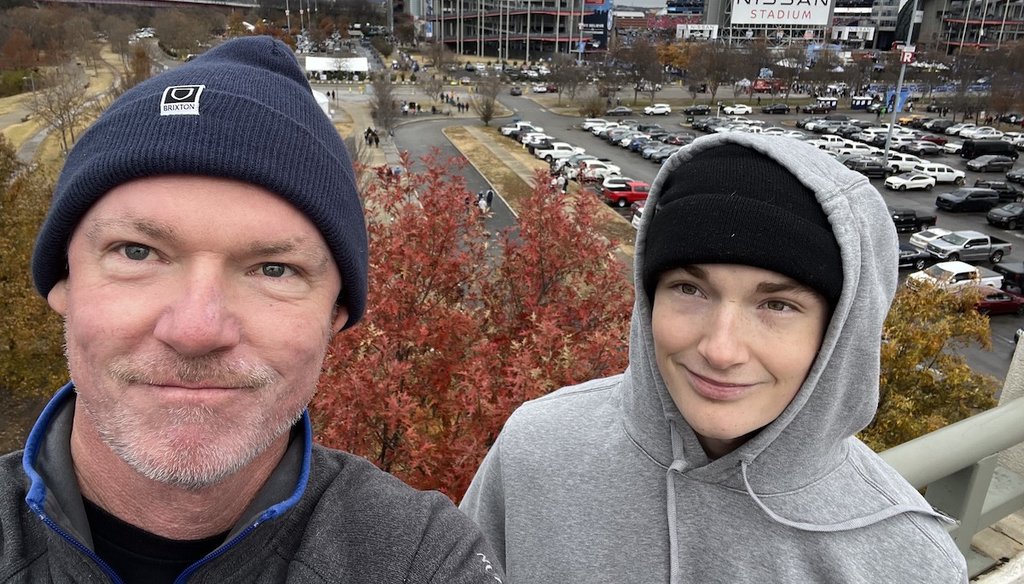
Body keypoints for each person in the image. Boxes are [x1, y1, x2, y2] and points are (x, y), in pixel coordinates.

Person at [1, 37, 503, 583]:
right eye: (137, 253)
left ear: (334, 316)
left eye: (273, 269)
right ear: (62, 283)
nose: (196, 329)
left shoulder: (420, 559)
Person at [460, 132, 967, 583]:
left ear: (838, 330)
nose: (720, 350)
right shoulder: (535, 449)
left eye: (777, 305)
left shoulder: (908, 563)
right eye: (689, 289)